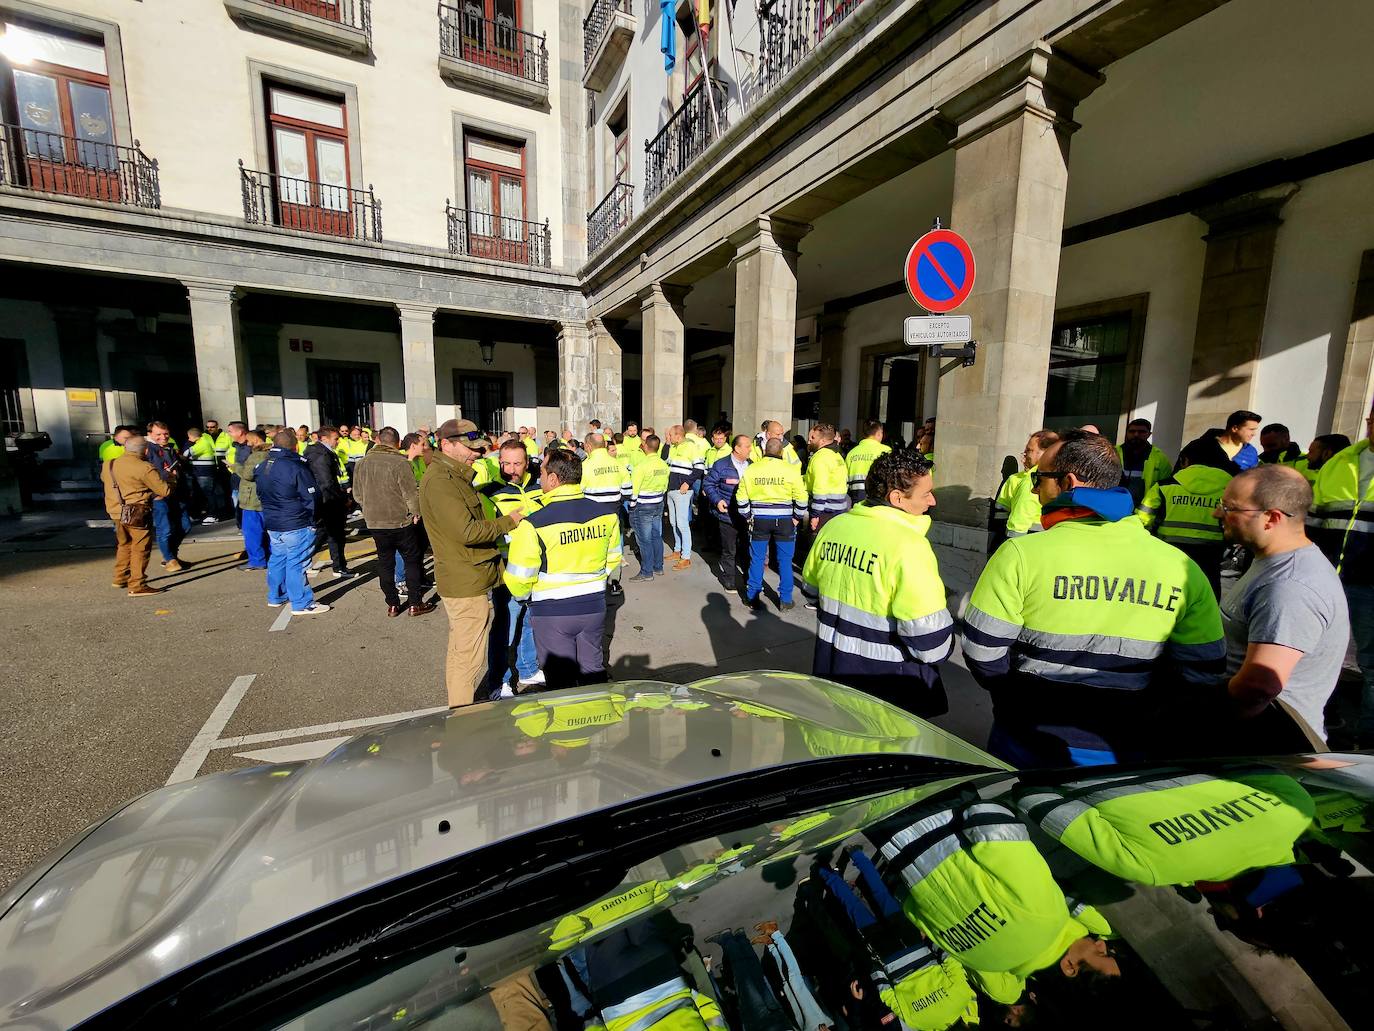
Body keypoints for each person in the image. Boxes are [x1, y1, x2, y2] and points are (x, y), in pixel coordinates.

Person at [962, 430, 1225, 767]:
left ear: (1067, 482)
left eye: (1039, 480)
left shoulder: (1020, 554)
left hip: (1028, 737)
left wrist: (1017, 701)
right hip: (1129, 743)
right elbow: (1204, 671)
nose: (1033, 489)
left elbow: (983, 653)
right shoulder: (1183, 568)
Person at [802, 450, 953, 716]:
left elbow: (811, 591)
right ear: (897, 498)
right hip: (888, 689)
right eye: (925, 493)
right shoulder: (910, 547)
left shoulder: (833, 527)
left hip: (831, 670)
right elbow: (931, 645)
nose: (933, 500)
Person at [1217, 464, 1349, 751]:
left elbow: (1259, 687)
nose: (1217, 514)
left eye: (1230, 508)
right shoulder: (1273, 565)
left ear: (1271, 518)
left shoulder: (1289, 586)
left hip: (1265, 746)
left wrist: (1210, 720)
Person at [421, 419, 524, 708]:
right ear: (445, 444)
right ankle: (463, 718)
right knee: (467, 658)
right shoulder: (442, 481)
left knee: (463, 653)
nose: (475, 454)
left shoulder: (454, 476)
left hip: (471, 575)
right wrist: (509, 522)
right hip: (464, 580)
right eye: (469, 448)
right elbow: (466, 531)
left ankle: (461, 710)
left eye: (477, 449)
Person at [504, 450, 621, 688]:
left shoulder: (532, 524)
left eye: (542, 473)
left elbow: (518, 578)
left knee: (560, 680)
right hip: (594, 606)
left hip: (552, 612)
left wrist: (526, 597)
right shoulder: (607, 515)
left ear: (554, 480)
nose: (539, 478)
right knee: (593, 670)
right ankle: (597, 718)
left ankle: (570, 723)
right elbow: (613, 559)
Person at [1310, 404, 1374, 747]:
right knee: (1315, 653)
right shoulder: (1340, 463)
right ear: (1369, 421)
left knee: (1372, 664)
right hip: (1326, 576)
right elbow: (1315, 521)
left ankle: (1368, 739)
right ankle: (1322, 721)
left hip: (1370, 584)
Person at [481, 440, 546, 696]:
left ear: (527, 462)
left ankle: (528, 669)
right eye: (505, 463)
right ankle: (501, 680)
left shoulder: (540, 486)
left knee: (530, 621)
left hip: (536, 568)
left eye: (517, 463)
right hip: (506, 570)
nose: (510, 469)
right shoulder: (490, 491)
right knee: (505, 627)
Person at [1137, 439, 1233, 598]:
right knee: (1207, 594)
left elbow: (1142, 520)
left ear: (1185, 460)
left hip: (1169, 550)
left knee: (1167, 594)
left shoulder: (1164, 485)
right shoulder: (1231, 488)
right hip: (1212, 553)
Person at [354, 427, 434, 618]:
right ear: (397, 443)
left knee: (385, 562)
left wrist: (370, 509)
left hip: (375, 522)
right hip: (400, 521)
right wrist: (416, 512)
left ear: (378, 441)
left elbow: (358, 494)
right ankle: (415, 603)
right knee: (412, 560)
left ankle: (392, 604)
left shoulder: (362, 463)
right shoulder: (400, 462)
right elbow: (410, 493)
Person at [256, 429, 330, 617]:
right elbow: (312, 496)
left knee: (278, 559)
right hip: (296, 522)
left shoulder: (263, 465)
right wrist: (314, 520)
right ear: (295, 446)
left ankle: (276, 595)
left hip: (274, 522)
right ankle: (301, 603)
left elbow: (260, 493)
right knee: (296, 562)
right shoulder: (295, 466)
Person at [736, 436, 809, 611]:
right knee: (785, 561)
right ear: (782, 452)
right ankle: (785, 600)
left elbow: (741, 497)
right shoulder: (791, 470)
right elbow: (802, 497)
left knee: (757, 559)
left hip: (759, 519)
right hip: (784, 520)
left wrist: (747, 516)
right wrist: (797, 518)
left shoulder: (752, 469)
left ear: (763, 451)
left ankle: (753, 597)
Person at [102, 432, 171, 597]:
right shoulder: (144, 467)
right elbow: (164, 490)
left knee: (124, 544)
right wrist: (170, 479)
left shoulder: (108, 464)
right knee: (140, 547)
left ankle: (120, 577)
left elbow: (107, 481)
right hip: (137, 513)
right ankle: (137, 584)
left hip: (115, 511)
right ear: (145, 451)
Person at [581, 432, 632, 596]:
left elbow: (578, 493)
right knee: (614, 547)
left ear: (588, 446)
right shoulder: (617, 464)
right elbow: (627, 490)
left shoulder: (585, 466)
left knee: (593, 548)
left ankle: (595, 583)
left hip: (591, 514)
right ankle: (615, 582)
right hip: (613, 512)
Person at [703, 433, 752, 592]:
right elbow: (708, 484)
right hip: (727, 515)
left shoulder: (751, 465)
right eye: (747, 446)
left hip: (747, 516)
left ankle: (748, 579)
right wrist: (717, 500)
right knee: (729, 550)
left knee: (746, 549)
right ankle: (730, 581)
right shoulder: (721, 465)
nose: (750, 449)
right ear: (737, 448)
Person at [303, 426, 352, 578]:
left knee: (331, 534)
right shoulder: (321, 455)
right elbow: (326, 482)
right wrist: (342, 499)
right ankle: (304, 561)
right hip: (328, 501)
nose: (338, 442)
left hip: (328, 500)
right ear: (324, 439)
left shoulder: (324, 453)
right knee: (327, 533)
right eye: (335, 439)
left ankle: (339, 566)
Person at [144, 420, 191, 572]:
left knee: (185, 525)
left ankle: (171, 555)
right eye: (158, 434)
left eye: (166, 434)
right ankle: (170, 559)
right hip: (159, 495)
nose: (163, 437)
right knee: (165, 529)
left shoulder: (170, 448)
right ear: (150, 434)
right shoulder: (146, 450)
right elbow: (146, 473)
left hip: (176, 493)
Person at [995, 430, 1059, 539]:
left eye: (1030, 450)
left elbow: (1020, 518)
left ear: (1046, 452)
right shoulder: (1063, 477)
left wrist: (1010, 543)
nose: (1025, 454)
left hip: (1026, 539)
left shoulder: (1032, 478)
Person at [628, 434, 669, 581]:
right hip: (658, 503)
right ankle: (658, 567)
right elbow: (665, 487)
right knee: (656, 536)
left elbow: (635, 491)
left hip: (643, 505)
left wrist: (632, 507)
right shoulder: (664, 465)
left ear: (646, 446)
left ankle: (646, 572)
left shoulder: (641, 466)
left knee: (644, 540)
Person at [664, 424, 704, 571]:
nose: (668, 437)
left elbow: (699, 467)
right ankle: (677, 550)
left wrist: (688, 483)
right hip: (672, 489)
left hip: (682, 491)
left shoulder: (691, 447)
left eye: (670, 435)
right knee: (674, 522)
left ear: (678, 436)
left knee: (682, 524)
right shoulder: (673, 447)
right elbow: (666, 463)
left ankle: (686, 557)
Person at [233, 429, 271, 570]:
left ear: (255, 440)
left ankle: (257, 560)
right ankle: (268, 557)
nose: (248, 444)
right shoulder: (270, 453)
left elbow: (248, 475)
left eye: (249, 441)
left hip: (252, 499)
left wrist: (235, 467)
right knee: (266, 531)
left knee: (252, 532)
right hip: (264, 498)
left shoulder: (256, 456)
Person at [804, 422, 851, 532]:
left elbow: (820, 488)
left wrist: (815, 515)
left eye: (813, 437)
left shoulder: (820, 458)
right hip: (840, 509)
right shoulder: (837, 455)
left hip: (825, 512)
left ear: (822, 441)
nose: (809, 440)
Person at [1115, 418, 1172, 505]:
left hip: (1143, 509)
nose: (1136, 435)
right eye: (1132, 431)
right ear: (1126, 433)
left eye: (1141, 432)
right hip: (1115, 505)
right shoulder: (1113, 452)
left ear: (1149, 434)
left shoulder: (1160, 458)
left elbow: (1165, 488)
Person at [846, 421, 890, 504]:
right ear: (879, 433)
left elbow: (845, 479)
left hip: (856, 497)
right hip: (879, 497)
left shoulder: (852, 453)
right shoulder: (886, 450)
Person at [185, 426, 223, 523]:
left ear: (191, 436)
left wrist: (189, 443)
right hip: (204, 472)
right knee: (206, 494)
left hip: (204, 473)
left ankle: (212, 515)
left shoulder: (201, 444)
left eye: (189, 437)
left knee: (208, 494)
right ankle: (206, 514)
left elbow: (186, 454)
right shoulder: (203, 442)